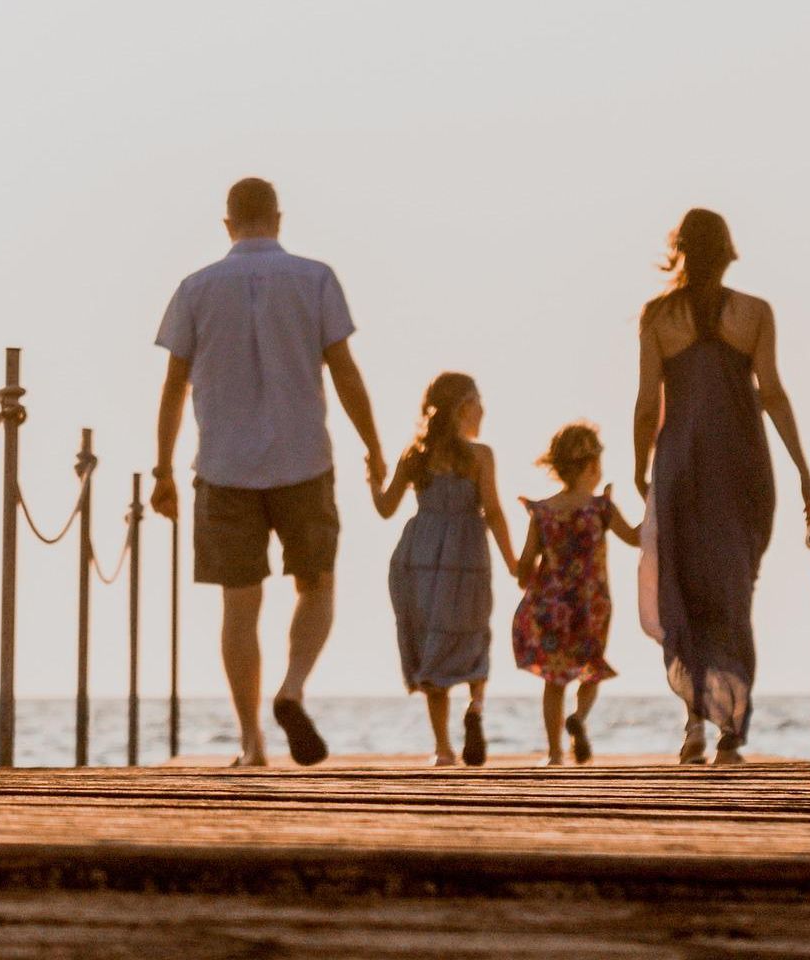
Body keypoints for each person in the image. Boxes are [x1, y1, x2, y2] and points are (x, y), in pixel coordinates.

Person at [151, 177, 385, 767]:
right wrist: (375, 447)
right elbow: (345, 371)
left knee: (239, 605)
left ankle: (252, 743)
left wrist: (162, 470)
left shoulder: (195, 288)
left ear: (227, 225)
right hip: (304, 460)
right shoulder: (316, 278)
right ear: (278, 218)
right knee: (317, 583)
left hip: (225, 466)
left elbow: (174, 385)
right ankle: (292, 687)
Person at [633, 209, 810, 766]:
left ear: (681, 250)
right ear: (728, 250)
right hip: (743, 464)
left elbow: (647, 404)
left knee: (685, 590)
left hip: (681, 467)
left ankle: (694, 721)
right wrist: (803, 472)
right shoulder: (754, 313)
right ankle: (731, 733)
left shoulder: (657, 317)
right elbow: (775, 395)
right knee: (735, 593)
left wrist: (643, 468)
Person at [369, 372, 518, 767]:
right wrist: (514, 563)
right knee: (472, 632)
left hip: (419, 556)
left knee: (430, 638)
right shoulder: (480, 456)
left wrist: (373, 479)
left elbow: (385, 508)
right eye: (479, 401)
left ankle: (443, 749)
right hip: (466, 556)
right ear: (462, 407)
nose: (483, 409)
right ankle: (476, 706)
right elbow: (495, 512)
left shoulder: (414, 454)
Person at [513, 423, 640, 766]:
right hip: (591, 602)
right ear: (591, 466)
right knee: (591, 668)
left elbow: (526, 563)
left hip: (552, 605)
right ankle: (579, 718)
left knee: (554, 680)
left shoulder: (542, 512)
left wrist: (521, 574)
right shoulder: (600, 508)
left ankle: (554, 753)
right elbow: (635, 537)